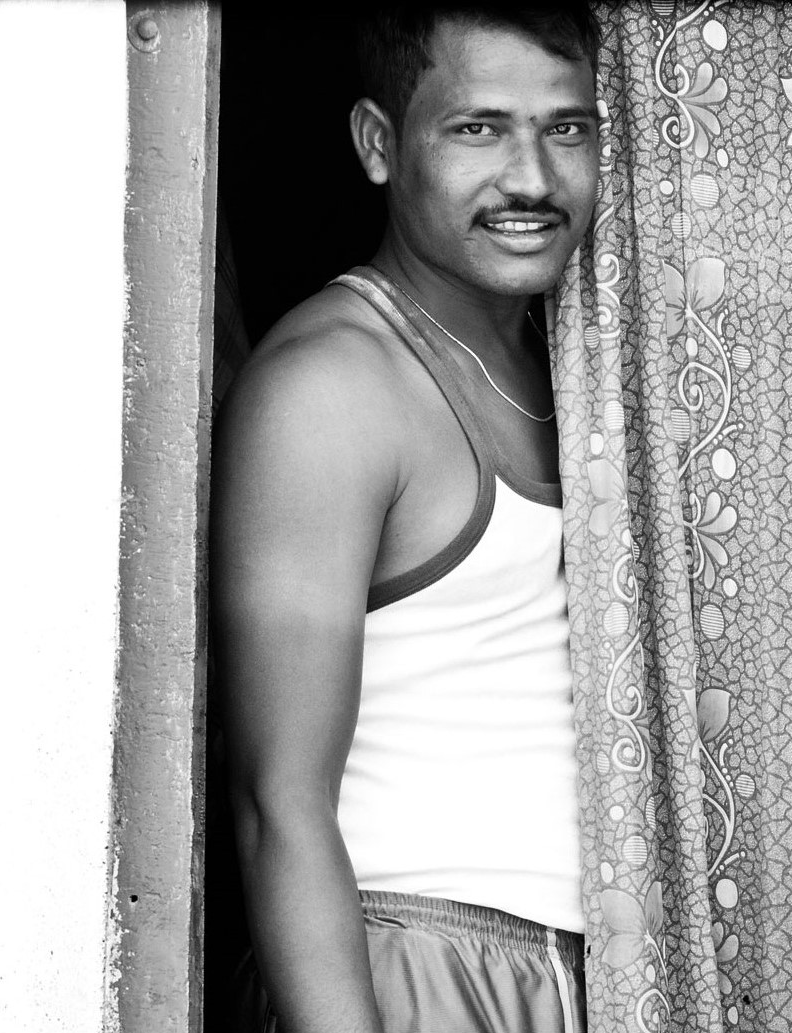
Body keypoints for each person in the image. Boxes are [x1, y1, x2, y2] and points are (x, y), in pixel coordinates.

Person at [211, 4, 600, 1031]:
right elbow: (275, 803)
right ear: (379, 144)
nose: (529, 178)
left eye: (566, 128)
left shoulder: (592, 368)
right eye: (476, 128)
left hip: (594, 969)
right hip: (407, 961)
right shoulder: (333, 386)